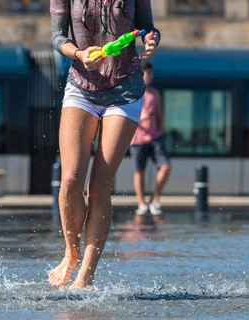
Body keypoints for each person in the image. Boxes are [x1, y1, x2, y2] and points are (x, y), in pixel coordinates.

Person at [48, 0, 160, 289]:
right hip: (81, 86)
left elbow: (147, 26)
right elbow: (58, 37)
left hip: (126, 88)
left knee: (98, 185)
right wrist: (78, 53)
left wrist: (150, 37)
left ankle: (86, 273)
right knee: (71, 179)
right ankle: (71, 254)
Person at [130, 62, 171, 216]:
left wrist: (161, 130)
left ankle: (155, 200)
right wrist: (141, 117)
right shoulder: (132, 93)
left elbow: (160, 114)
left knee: (166, 166)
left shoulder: (155, 93)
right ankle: (141, 203)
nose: (151, 76)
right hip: (137, 139)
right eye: (148, 73)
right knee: (139, 171)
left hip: (155, 137)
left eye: (151, 73)